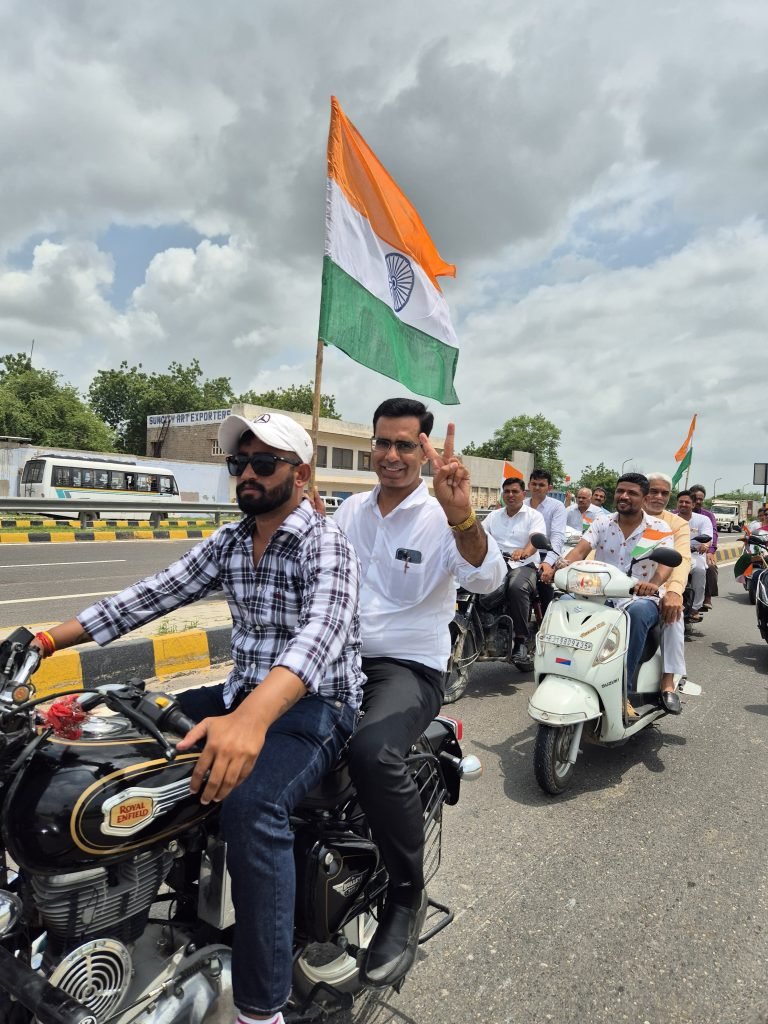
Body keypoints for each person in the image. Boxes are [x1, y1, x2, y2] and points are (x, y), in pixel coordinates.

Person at [25, 412, 364, 1024]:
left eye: (264, 463)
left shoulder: (327, 543)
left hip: (318, 704)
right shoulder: (232, 541)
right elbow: (150, 596)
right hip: (242, 694)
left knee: (251, 806)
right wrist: (45, 643)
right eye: (239, 464)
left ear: (301, 473)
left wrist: (251, 720)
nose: (248, 475)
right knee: (113, 746)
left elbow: (321, 636)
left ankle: (262, 1008)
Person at [332, 398, 506, 989]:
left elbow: (489, 577)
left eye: (407, 445)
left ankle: (406, 895)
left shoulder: (442, 515)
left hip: (407, 667)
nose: (391, 455)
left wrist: (462, 516)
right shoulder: (350, 511)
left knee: (371, 750)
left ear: (427, 450)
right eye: (383, 443)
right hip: (337, 661)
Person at [561, 473, 676, 716]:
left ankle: (622, 691)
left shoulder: (659, 528)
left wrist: (653, 584)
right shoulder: (602, 523)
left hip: (640, 596)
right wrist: (559, 567)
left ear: (644, 498)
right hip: (599, 594)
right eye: (620, 491)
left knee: (636, 612)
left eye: (632, 493)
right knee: (562, 603)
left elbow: (667, 564)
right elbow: (580, 550)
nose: (624, 496)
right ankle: (563, 674)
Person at [482, 476, 546, 666]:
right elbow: (480, 535)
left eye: (514, 491)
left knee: (516, 587)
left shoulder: (534, 516)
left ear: (523, 494)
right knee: (469, 584)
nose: (510, 495)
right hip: (497, 564)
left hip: (524, 566)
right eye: (507, 491)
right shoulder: (494, 516)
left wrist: (524, 552)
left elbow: (535, 540)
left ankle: (520, 640)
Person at [644, 473, 691, 708]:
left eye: (664, 493)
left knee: (674, 613)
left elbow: (681, 559)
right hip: (618, 583)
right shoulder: (624, 517)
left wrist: (674, 591)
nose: (658, 497)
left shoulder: (676, 524)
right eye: (653, 491)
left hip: (659, 586)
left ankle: (668, 679)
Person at [525, 468, 567, 611]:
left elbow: (557, 537)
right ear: (529, 485)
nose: (537, 488)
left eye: (541, 485)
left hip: (546, 553)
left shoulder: (557, 506)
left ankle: (545, 621)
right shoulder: (521, 505)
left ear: (549, 488)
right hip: (524, 554)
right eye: (534, 484)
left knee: (544, 583)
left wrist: (547, 562)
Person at [676, 489, 711, 621]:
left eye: (687, 502)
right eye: (681, 502)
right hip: (675, 555)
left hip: (695, 555)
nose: (683, 504)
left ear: (693, 504)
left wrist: (706, 545)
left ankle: (695, 608)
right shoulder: (671, 519)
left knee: (700, 569)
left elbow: (708, 536)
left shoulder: (703, 519)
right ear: (677, 503)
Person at [689, 485, 719, 610]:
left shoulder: (707, 516)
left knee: (710, 568)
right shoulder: (676, 514)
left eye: (701, 499)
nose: (698, 502)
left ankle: (707, 597)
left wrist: (710, 550)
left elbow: (713, 534)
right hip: (679, 552)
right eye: (696, 498)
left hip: (700, 552)